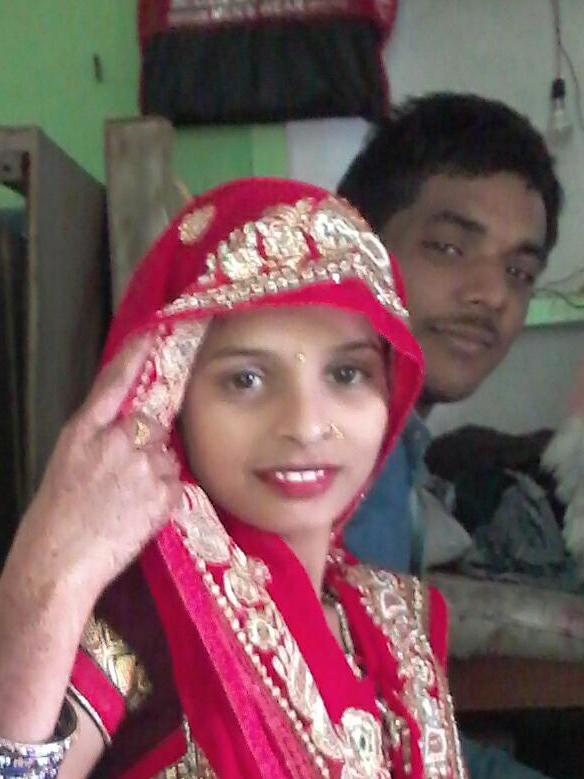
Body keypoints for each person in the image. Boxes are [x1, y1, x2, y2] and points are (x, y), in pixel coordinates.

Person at [0, 178, 468, 779]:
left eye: (347, 374)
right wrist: (47, 578)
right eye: (245, 379)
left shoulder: (393, 624)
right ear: (171, 399)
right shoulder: (135, 620)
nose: (306, 426)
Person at [338, 94, 562, 778]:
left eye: (518, 271)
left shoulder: (394, 445)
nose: (492, 293)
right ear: (355, 244)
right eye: (448, 246)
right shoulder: (339, 454)